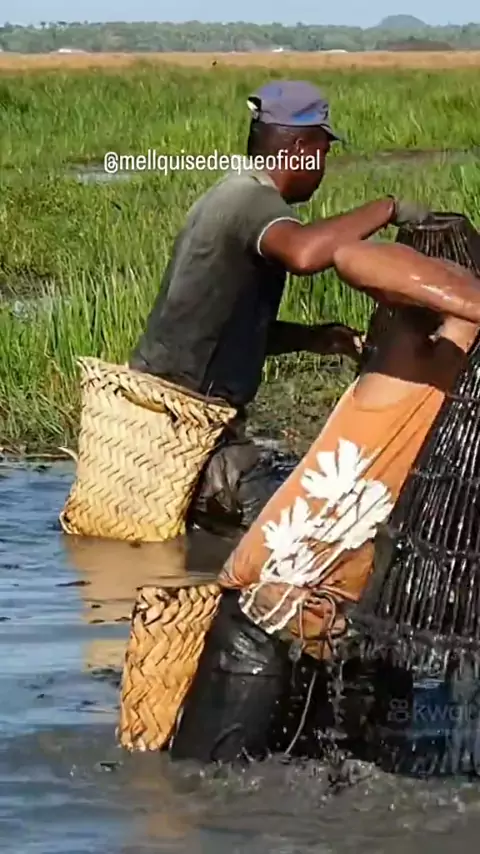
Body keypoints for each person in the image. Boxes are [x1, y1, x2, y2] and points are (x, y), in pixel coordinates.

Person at [168, 240, 480, 764]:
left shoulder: (462, 407)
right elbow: (353, 256)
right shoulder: (412, 364)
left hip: (345, 643)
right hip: (265, 619)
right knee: (205, 788)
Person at [129, 79, 428, 533]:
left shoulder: (227, 193)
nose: (322, 167)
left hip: (167, 421)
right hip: (191, 427)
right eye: (322, 153)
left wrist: (314, 337)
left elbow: (216, 327)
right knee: (312, 528)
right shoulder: (251, 200)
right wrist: (388, 209)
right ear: (301, 148)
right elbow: (304, 254)